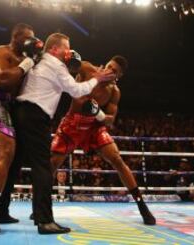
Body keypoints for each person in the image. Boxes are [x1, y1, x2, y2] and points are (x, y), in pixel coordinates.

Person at [12, 32, 116, 234]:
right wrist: (97, 78)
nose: (69, 52)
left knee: (15, 162)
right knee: (43, 167)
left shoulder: (41, 60)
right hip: (35, 115)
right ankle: (44, 221)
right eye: (66, 48)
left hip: (22, 112)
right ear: (54, 49)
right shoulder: (56, 65)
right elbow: (77, 91)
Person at [50, 56, 156, 225]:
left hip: (94, 126)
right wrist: (70, 58)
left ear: (118, 76)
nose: (109, 70)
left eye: (114, 71)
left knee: (117, 159)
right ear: (105, 63)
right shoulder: (87, 69)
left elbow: (110, 120)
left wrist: (97, 113)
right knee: (52, 163)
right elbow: (68, 75)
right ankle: (41, 207)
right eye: (109, 66)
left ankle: (142, 206)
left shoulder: (114, 92)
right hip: (72, 123)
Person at [0, 23, 43, 235]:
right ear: (18, 37)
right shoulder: (0, 51)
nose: (33, 41)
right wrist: (28, 63)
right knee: (7, 151)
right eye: (30, 38)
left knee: (13, 156)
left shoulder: (26, 59)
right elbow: (1, 78)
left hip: (13, 105)